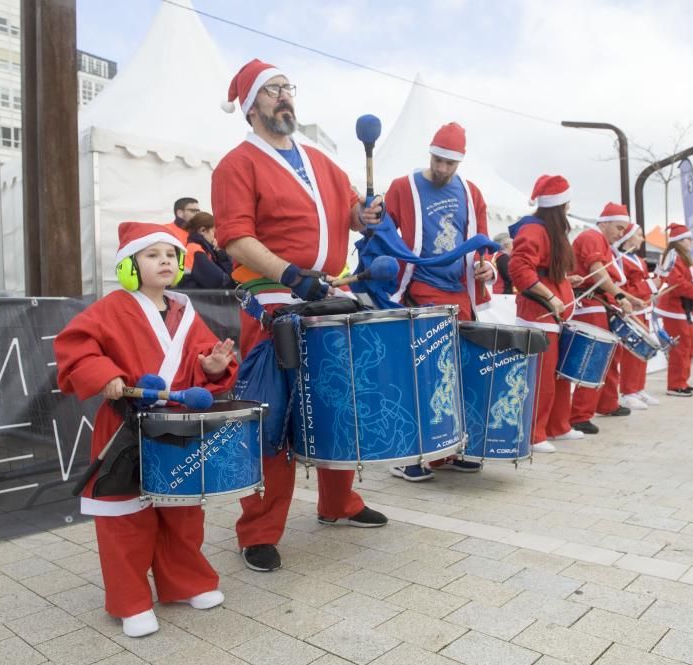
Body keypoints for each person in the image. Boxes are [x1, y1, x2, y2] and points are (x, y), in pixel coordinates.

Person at [212, 58, 387, 574]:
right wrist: (290, 275)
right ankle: (259, 530)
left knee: (338, 404)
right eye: (271, 90)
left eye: (287, 87)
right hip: (272, 302)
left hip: (326, 296)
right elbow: (237, 239)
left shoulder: (321, 161)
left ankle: (339, 503)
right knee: (275, 417)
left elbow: (351, 213)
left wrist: (364, 216)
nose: (284, 96)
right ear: (251, 106)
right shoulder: (236, 164)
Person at [54, 222, 238, 638]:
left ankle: (186, 583)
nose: (165, 262)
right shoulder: (111, 307)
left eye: (171, 255)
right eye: (152, 254)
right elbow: (74, 346)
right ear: (129, 265)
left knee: (184, 515)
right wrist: (106, 375)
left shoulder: (185, 311)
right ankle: (131, 601)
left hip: (175, 427)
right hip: (125, 426)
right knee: (125, 520)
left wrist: (212, 367)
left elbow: (203, 361)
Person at [383, 122, 493, 480]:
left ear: (460, 162)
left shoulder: (471, 192)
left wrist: (486, 267)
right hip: (420, 287)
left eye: (451, 163)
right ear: (430, 153)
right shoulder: (404, 186)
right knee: (423, 372)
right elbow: (382, 231)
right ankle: (410, 453)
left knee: (455, 372)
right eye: (438, 159)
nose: (443, 168)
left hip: (459, 291)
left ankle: (449, 448)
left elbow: (482, 242)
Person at [507, 175, 581, 453]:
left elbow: (542, 269)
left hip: (554, 316)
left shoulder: (549, 231)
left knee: (557, 377)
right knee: (541, 379)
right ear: (559, 205)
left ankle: (557, 425)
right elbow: (519, 268)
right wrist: (550, 295)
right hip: (538, 315)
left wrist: (562, 282)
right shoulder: (535, 229)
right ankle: (534, 433)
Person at [567, 203, 644, 435]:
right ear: (605, 222)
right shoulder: (592, 236)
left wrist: (631, 298)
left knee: (609, 357)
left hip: (599, 303)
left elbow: (605, 279)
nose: (621, 233)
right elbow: (599, 273)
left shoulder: (601, 241)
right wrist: (621, 296)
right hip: (589, 304)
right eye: (619, 228)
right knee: (595, 358)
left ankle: (606, 402)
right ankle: (579, 415)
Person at [654, 223, 693, 396]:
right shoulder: (673, 257)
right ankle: (676, 384)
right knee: (680, 348)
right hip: (674, 308)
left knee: (688, 346)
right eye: (687, 239)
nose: (690, 242)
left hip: (682, 308)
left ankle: (682, 381)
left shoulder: (679, 257)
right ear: (679, 241)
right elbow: (678, 284)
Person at [614, 224, 660, 409]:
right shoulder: (619, 259)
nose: (642, 238)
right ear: (628, 237)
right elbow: (622, 289)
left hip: (643, 308)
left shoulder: (638, 260)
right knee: (631, 353)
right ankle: (628, 391)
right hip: (630, 310)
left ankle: (638, 388)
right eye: (639, 235)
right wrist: (649, 285)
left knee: (642, 352)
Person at [178, 212, 236, 289]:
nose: (216, 237)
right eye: (214, 233)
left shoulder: (201, 249)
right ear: (203, 231)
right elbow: (222, 281)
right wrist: (222, 254)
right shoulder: (195, 250)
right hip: (197, 299)